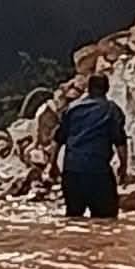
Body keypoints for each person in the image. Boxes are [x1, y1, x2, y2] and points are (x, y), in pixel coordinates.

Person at [48, 73, 129, 219]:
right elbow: (120, 141)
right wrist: (123, 166)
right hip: (98, 173)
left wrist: (52, 165)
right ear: (107, 89)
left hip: (72, 172)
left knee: (73, 218)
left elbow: (58, 139)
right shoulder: (111, 110)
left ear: (88, 89)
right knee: (106, 220)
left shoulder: (72, 109)